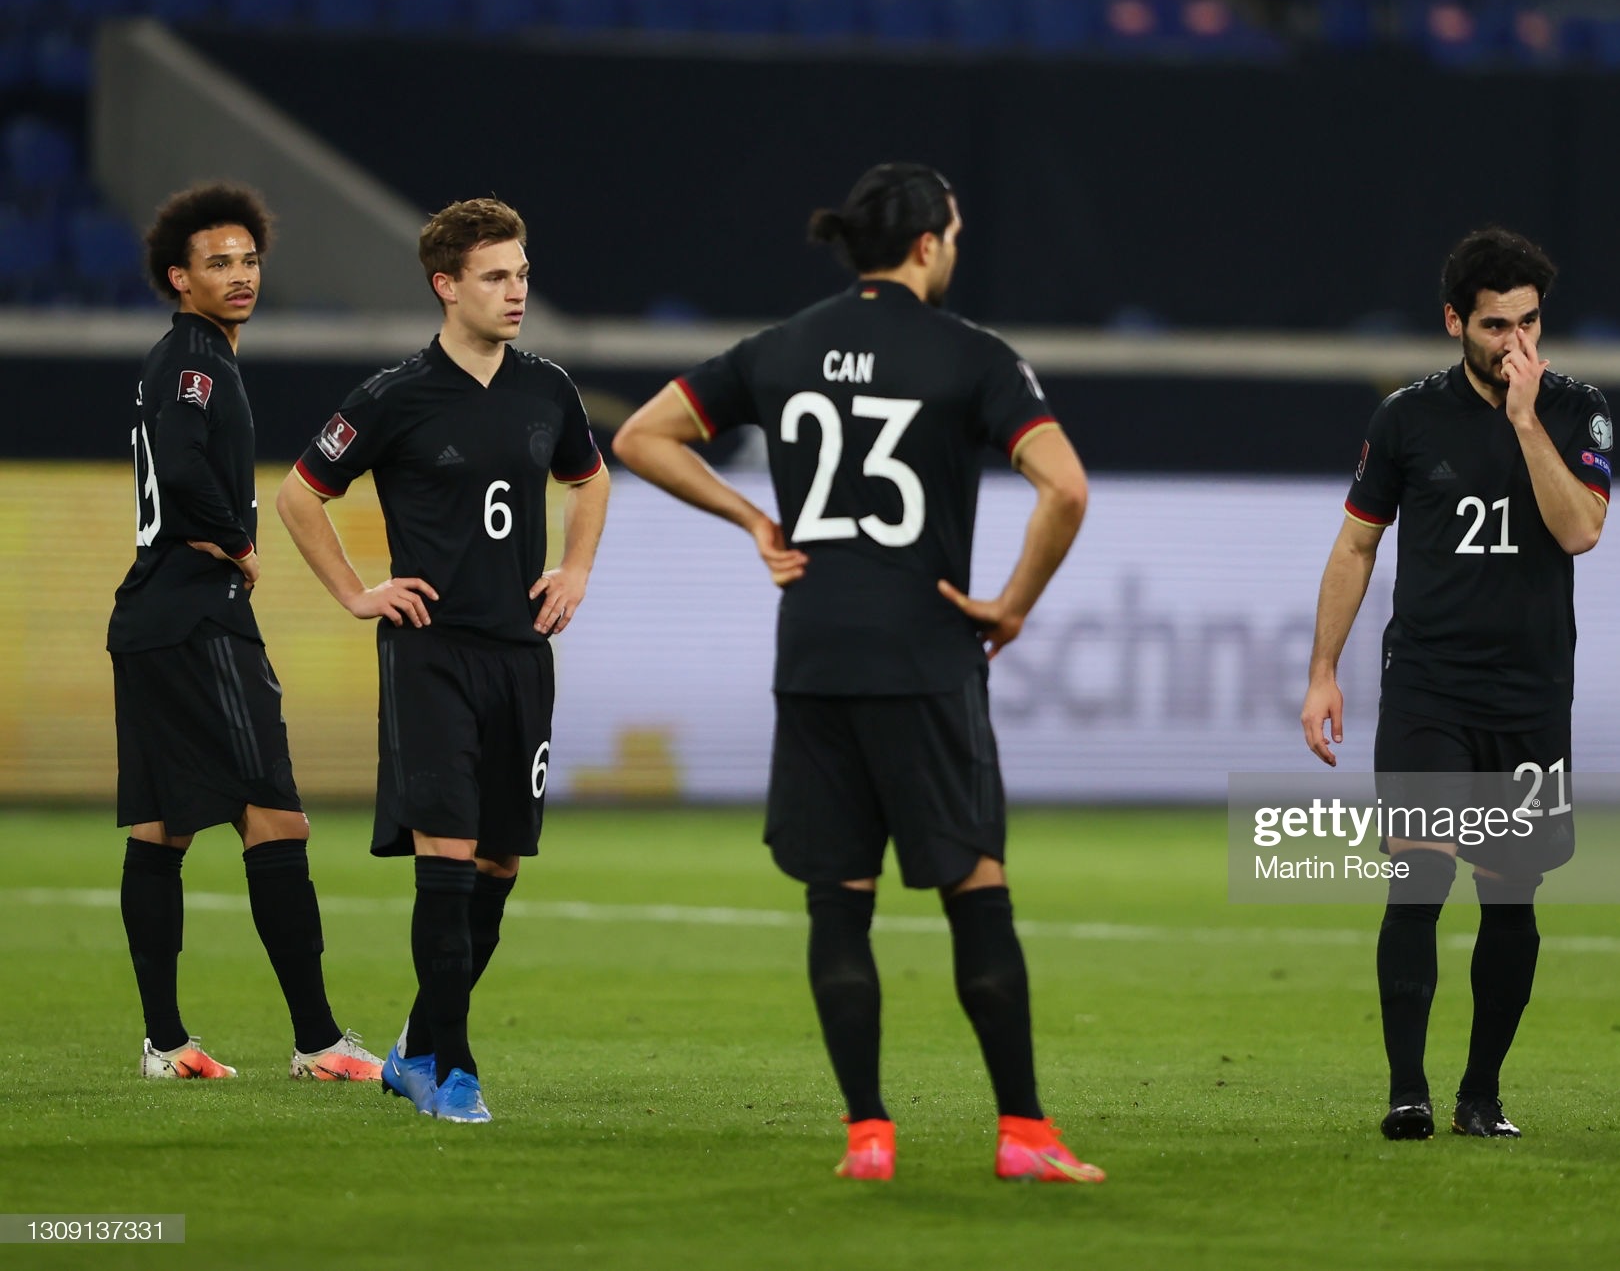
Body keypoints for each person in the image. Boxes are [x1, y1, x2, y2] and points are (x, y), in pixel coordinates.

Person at [612, 163, 1101, 1183]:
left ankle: (866, 1136)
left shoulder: (778, 347)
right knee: (975, 888)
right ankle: (1023, 1133)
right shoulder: (971, 355)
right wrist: (1011, 602)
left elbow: (639, 436)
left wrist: (753, 516)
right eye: (954, 231)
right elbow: (1063, 487)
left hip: (816, 653)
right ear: (926, 244)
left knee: (838, 902)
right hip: (923, 655)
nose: (956, 246)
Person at [275, 198, 610, 1125]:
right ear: (446, 285)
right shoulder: (393, 396)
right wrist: (356, 592)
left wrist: (574, 569)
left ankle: (416, 1043)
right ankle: (452, 1070)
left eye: (523, 272)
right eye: (497, 276)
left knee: (499, 865)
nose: (517, 291)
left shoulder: (549, 389)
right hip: (433, 658)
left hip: (521, 658)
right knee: (449, 857)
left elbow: (591, 478)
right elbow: (300, 497)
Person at [1300, 228, 1612, 1142]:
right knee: (1418, 880)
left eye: (1529, 322)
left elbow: (1581, 530)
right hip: (1430, 689)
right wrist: (1322, 671)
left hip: (1529, 694)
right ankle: (1408, 1091)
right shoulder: (1405, 419)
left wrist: (1523, 421)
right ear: (1453, 323)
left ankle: (1482, 1093)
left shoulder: (1577, 409)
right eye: (1493, 324)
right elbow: (1357, 543)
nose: (1514, 341)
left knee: (1510, 896)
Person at [108, 181, 381, 1082]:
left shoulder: (186, 357)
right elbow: (185, 468)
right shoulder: (195, 361)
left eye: (249, 260)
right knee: (276, 815)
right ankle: (317, 1042)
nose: (239, 275)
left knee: (160, 828)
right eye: (217, 263)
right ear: (178, 278)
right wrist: (232, 542)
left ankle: (164, 1041)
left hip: (148, 618)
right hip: (198, 615)